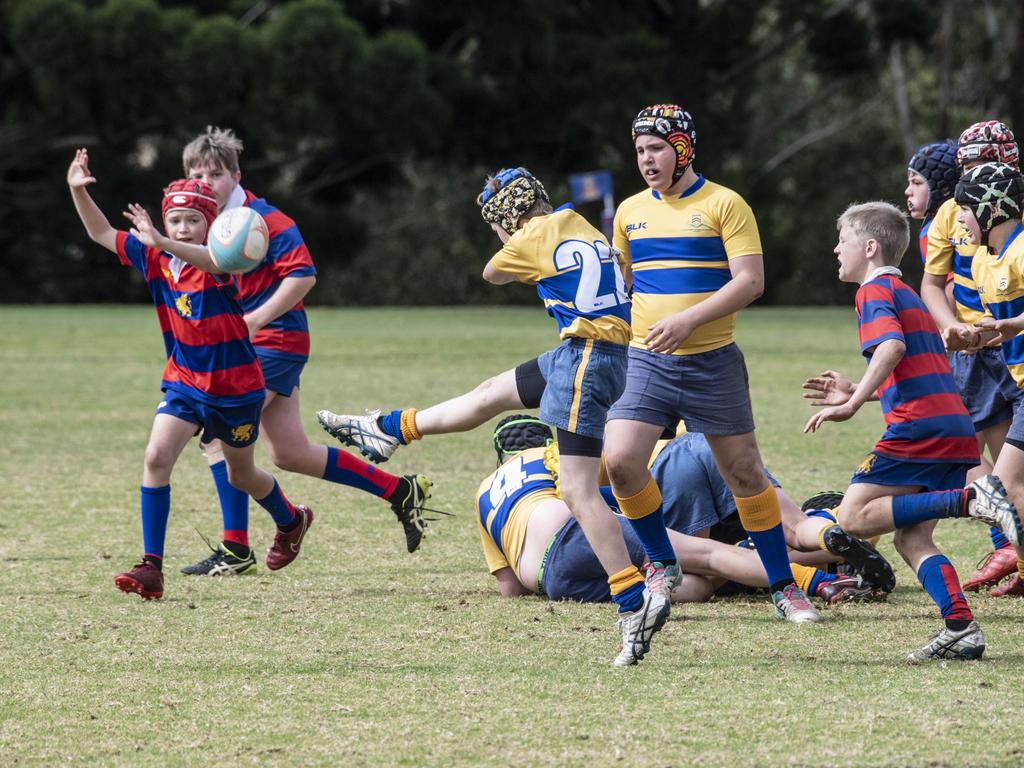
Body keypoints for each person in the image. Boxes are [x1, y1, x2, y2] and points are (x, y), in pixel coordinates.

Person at [319, 167, 673, 666]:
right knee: (490, 394)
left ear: (506, 218)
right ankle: (389, 429)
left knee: (576, 488)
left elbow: (492, 273)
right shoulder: (580, 222)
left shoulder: (528, 235)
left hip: (586, 360)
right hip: (601, 353)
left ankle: (631, 601)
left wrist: (511, 238)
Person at [167, 127, 434, 572]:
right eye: (198, 174)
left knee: (216, 435)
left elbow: (303, 276)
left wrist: (252, 321)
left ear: (236, 175)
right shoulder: (200, 226)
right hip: (241, 348)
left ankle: (238, 548)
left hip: (274, 342)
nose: (207, 182)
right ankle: (399, 491)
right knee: (288, 453)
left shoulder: (264, 219)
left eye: (216, 173)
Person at [600, 104, 818, 625]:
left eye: (655, 149)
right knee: (621, 462)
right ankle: (661, 562)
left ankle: (784, 587)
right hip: (646, 359)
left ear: (681, 149)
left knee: (744, 474)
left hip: (712, 363)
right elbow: (621, 286)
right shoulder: (629, 212)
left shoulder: (726, 204)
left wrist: (687, 322)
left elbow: (750, 281)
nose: (647, 160)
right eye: (639, 152)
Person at [66, 149, 313, 599]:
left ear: (211, 225)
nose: (182, 227)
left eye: (192, 221)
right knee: (157, 457)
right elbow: (100, 231)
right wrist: (77, 190)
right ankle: (150, 568)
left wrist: (164, 240)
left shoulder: (222, 261)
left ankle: (290, 519)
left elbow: (212, 260)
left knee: (242, 476)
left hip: (236, 389)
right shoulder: (154, 257)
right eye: (175, 219)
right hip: (184, 381)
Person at [794, 201, 1022, 661]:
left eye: (843, 240)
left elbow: (892, 347)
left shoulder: (871, 293)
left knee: (853, 518)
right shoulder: (911, 297)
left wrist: (853, 404)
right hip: (952, 426)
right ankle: (960, 627)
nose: (836, 249)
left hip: (919, 428)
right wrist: (858, 388)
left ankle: (972, 500)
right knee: (911, 538)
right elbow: (916, 364)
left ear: (871, 248)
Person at [478, 415, 885, 605]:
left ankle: (820, 575)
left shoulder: (485, 492)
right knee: (715, 556)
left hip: (554, 578)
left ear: (501, 457)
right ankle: (823, 554)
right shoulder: (558, 456)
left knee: (698, 584)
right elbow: (626, 478)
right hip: (692, 456)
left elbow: (510, 588)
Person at [920, 122, 1023, 592]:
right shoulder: (967, 233)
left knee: (1002, 473)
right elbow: (934, 285)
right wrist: (956, 330)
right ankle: (1010, 549)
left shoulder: (1013, 235)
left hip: (1012, 355)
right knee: (985, 462)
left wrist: (1004, 328)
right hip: (981, 352)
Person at [954, 161, 1024, 597]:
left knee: (1006, 485)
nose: (959, 219)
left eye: (964, 209)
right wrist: (976, 335)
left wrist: (1014, 324)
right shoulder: (982, 261)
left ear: (989, 207)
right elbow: (998, 324)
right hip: (1018, 387)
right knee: (1005, 485)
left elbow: (1013, 323)